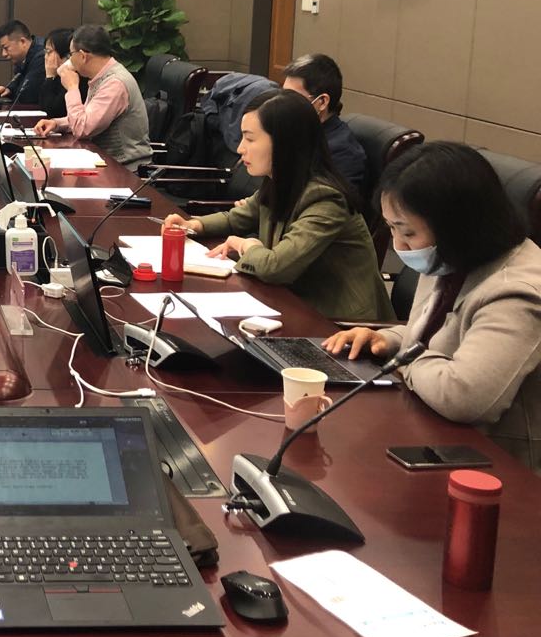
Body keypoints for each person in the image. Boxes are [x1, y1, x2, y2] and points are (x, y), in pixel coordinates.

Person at [324, 144, 541, 472]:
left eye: (407, 232)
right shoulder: (454, 255)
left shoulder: (517, 291)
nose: (398, 245)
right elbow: (437, 336)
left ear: (459, 225)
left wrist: (404, 360)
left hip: (497, 468)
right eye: (392, 228)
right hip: (432, 433)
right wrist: (387, 340)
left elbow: (463, 395)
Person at [162, 90, 390, 322]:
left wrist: (247, 245)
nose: (240, 148)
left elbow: (276, 267)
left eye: (250, 139)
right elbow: (237, 218)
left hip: (340, 325)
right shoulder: (281, 181)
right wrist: (193, 225)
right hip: (292, 304)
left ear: (284, 144)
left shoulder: (325, 199)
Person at [33, 24, 153, 170]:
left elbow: (82, 129)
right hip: (104, 161)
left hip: (124, 169)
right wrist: (57, 124)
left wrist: (72, 88)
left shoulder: (115, 83)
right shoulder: (100, 77)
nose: (69, 60)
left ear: (83, 56)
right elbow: (87, 117)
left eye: (71, 55)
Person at [282, 53, 367, 194]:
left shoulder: (343, 152)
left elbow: (330, 202)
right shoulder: (296, 131)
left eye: (292, 97)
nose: (284, 102)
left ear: (322, 102)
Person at [0, 20, 45, 106]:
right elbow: (19, 80)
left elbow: (25, 96)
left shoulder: (42, 57)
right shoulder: (23, 59)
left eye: (6, 48)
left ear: (22, 42)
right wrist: (8, 89)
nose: (3, 54)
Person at [36, 27, 86, 117]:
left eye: (48, 51)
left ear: (67, 56)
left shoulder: (75, 76)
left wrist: (49, 76)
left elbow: (53, 111)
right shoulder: (57, 75)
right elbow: (42, 107)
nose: (45, 56)